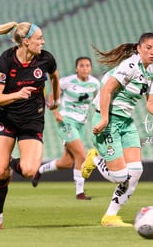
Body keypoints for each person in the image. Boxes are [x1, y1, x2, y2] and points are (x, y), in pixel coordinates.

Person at [81, 32, 153, 227]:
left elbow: (151, 105)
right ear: (139, 48)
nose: (152, 52)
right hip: (107, 119)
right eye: (148, 48)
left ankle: (110, 216)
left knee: (136, 171)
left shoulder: (151, 73)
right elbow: (106, 90)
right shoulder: (130, 66)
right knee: (120, 176)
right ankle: (95, 157)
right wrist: (105, 118)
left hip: (126, 122)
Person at [0, 21, 60, 230]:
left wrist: (56, 98)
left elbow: (54, 76)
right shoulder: (5, 61)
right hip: (6, 119)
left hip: (32, 121)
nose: (43, 42)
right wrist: (18, 94)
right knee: (0, 171)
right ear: (26, 42)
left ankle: (10, 161)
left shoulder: (46, 58)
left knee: (28, 170)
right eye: (39, 38)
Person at [31, 56, 100, 200]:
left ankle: (40, 170)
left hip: (81, 124)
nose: (85, 68)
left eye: (87, 66)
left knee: (67, 162)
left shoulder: (95, 83)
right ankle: (79, 193)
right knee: (82, 154)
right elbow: (50, 98)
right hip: (66, 121)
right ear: (77, 68)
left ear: (91, 68)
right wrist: (56, 113)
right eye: (82, 65)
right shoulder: (66, 81)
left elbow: (97, 102)